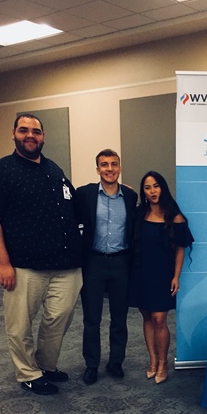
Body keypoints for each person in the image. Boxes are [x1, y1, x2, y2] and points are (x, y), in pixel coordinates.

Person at [0, 113, 83, 395]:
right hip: (23, 266)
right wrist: (3, 263)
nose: (30, 135)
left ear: (43, 136)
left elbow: (74, 205)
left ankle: (45, 366)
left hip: (66, 265)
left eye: (36, 131)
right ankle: (28, 373)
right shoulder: (0, 171)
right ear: (14, 134)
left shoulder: (54, 169)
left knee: (59, 318)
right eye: (24, 130)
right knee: (20, 325)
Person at [75, 149, 137, 385]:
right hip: (94, 263)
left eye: (113, 164)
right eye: (104, 165)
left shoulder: (130, 196)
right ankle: (91, 365)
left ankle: (116, 362)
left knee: (119, 318)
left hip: (121, 263)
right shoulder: (85, 194)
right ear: (97, 169)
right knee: (92, 319)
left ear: (119, 168)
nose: (109, 169)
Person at [129, 171, 194, 384]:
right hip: (140, 272)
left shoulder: (174, 217)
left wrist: (176, 276)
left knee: (159, 318)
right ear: (143, 192)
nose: (152, 191)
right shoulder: (139, 213)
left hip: (163, 274)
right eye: (147, 187)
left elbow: (180, 249)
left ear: (163, 188)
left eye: (156, 186)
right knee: (147, 316)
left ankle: (163, 363)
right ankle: (153, 361)